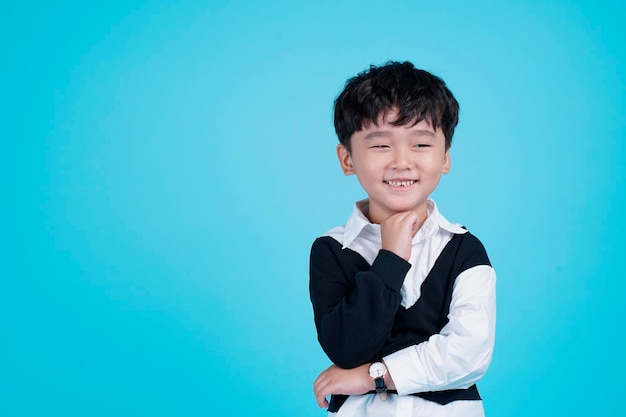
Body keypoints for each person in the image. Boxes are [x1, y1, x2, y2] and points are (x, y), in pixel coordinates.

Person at [309, 61, 496, 417]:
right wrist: (391, 259)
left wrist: (372, 375)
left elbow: (468, 355)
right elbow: (346, 348)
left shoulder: (464, 250)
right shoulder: (332, 250)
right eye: (380, 146)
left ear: (445, 158)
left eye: (421, 144)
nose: (402, 161)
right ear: (347, 159)